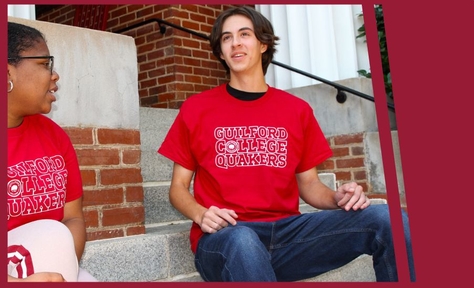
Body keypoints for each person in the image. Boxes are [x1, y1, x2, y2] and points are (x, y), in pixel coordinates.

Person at [158, 6, 415, 282]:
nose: (236, 43)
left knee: (386, 219)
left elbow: (310, 185)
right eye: (226, 38)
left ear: (263, 43)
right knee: (243, 241)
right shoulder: (197, 109)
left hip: (287, 236)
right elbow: (178, 188)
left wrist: (337, 198)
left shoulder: (296, 110)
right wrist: (201, 214)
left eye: (244, 34)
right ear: (220, 52)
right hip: (225, 238)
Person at [7, 21, 97, 282]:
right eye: (44, 64)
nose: (54, 75)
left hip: (50, 263)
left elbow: (73, 218)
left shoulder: (54, 136)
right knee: (51, 234)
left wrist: (64, 271)